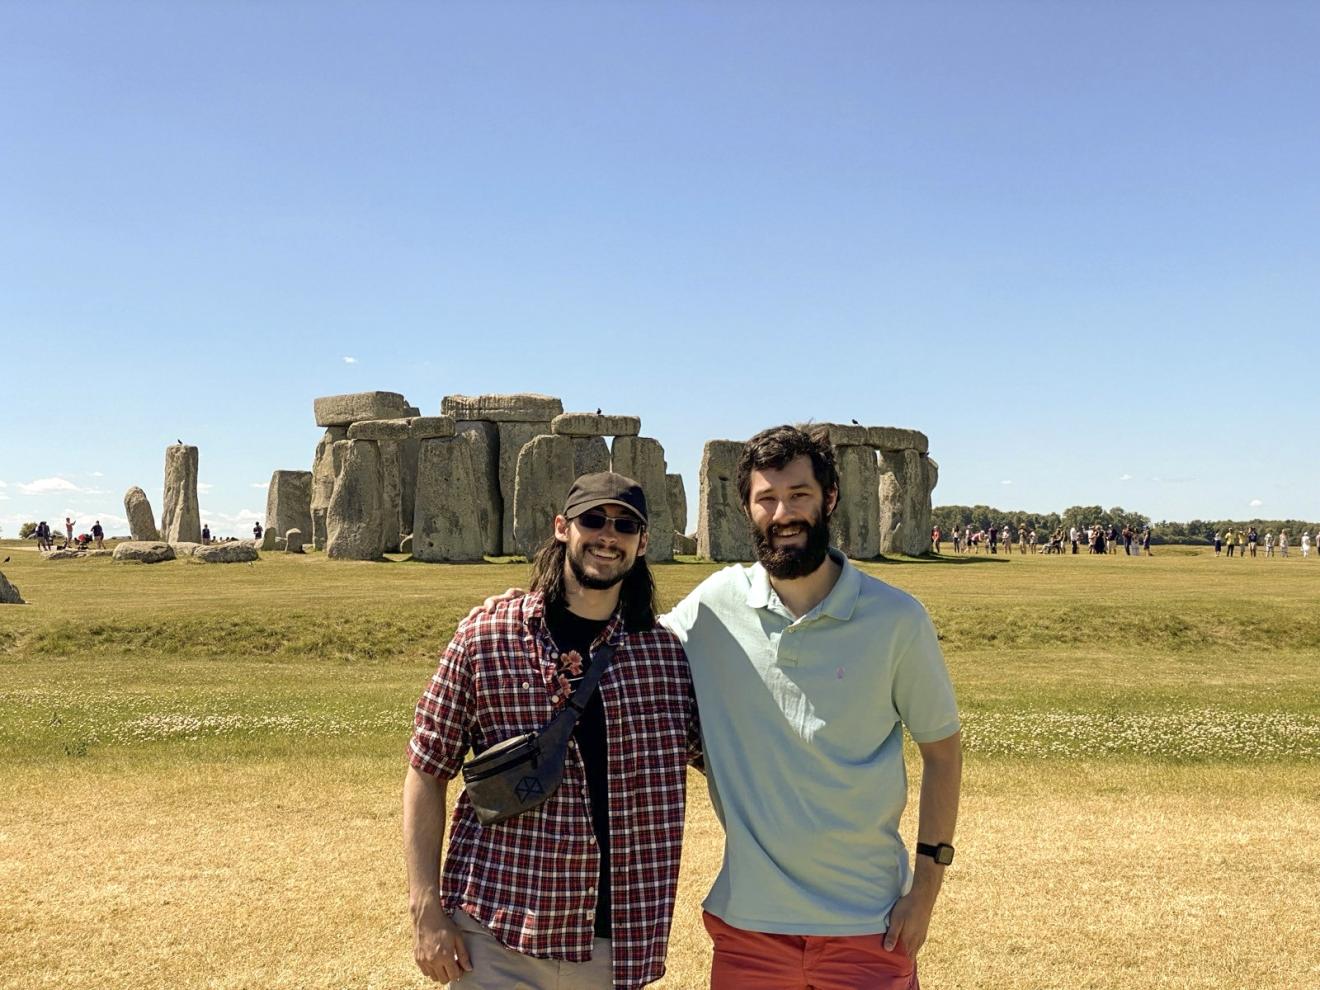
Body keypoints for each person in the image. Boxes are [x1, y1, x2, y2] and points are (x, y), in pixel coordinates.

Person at [662, 425, 960, 989]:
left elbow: (943, 754)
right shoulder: (713, 605)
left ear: (830, 498)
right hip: (749, 926)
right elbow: (627, 651)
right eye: (766, 498)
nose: (783, 513)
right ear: (747, 509)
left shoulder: (896, 619)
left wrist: (924, 891)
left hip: (868, 924)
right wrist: (534, 602)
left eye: (799, 495)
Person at [404, 472, 699, 990]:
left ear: (643, 542)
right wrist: (426, 909)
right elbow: (427, 770)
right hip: (495, 935)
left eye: (625, 525)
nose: (609, 535)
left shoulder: (667, 659)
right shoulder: (487, 636)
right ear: (563, 527)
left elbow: (734, 757)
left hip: (614, 946)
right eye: (593, 520)